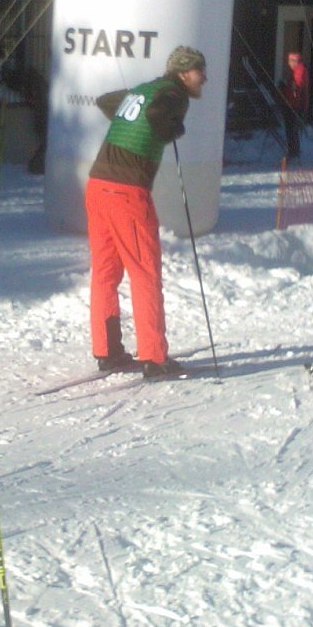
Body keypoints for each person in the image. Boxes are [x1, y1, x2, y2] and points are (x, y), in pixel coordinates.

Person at [86, 44, 207, 378]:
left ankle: (107, 350)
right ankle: (154, 358)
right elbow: (157, 115)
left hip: (97, 185)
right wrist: (171, 128)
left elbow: (105, 101)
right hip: (126, 192)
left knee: (105, 272)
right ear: (183, 72)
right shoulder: (174, 94)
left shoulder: (143, 89)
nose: (204, 78)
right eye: (199, 71)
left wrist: (134, 120)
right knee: (145, 272)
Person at [279, 50, 309, 160]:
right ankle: (293, 150)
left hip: (294, 104)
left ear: (295, 61)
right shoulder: (297, 70)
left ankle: (293, 151)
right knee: (291, 128)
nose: (289, 63)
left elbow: (297, 86)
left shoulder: (299, 70)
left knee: (291, 128)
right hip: (293, 103)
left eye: (291, 60)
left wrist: (287, 86)